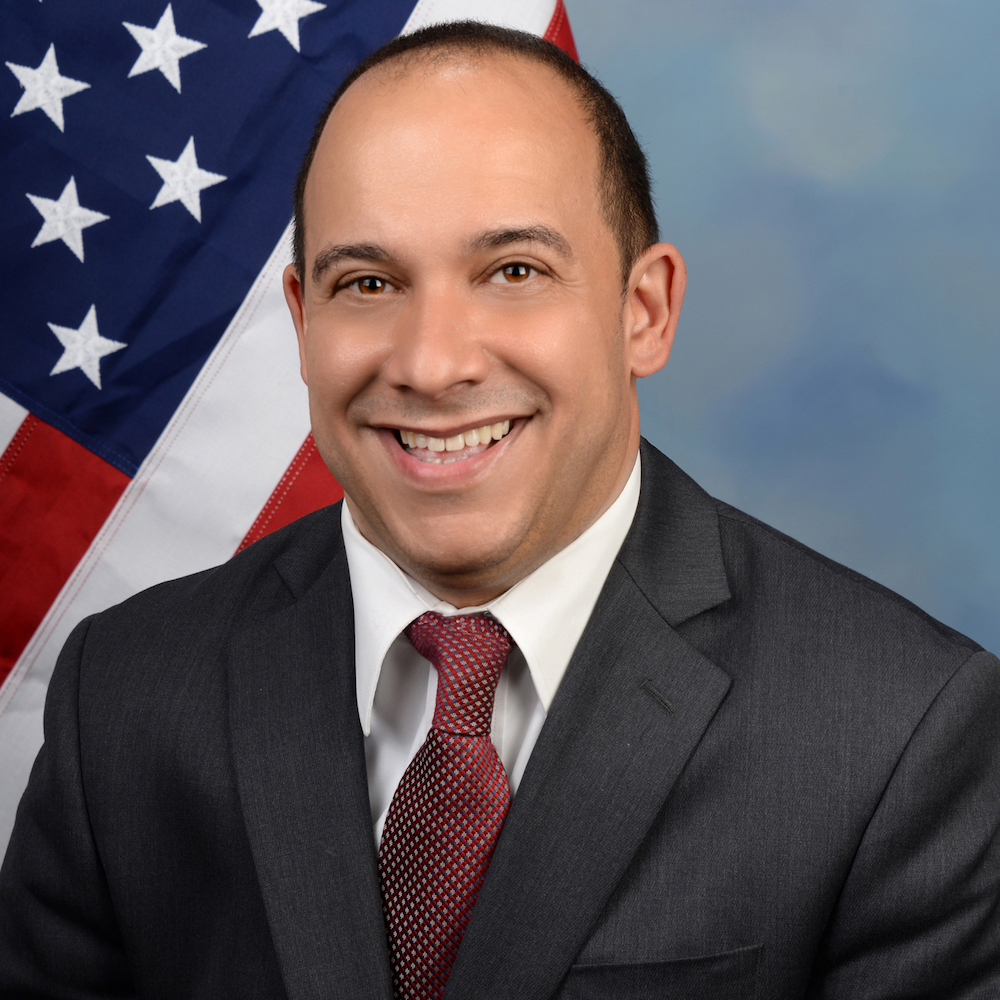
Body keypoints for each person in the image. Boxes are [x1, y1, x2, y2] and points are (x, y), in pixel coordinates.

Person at [1, 21, 998, 1000]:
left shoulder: (898, 733)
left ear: (641, 311)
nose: (433, 363)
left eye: (513, 272)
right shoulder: (125, 692)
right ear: (303, 325)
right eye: (369, 281)